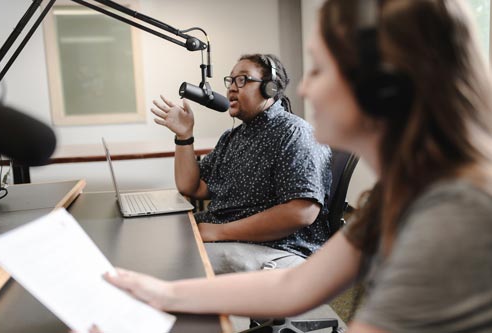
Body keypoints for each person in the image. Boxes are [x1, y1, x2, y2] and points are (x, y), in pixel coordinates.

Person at [103, 0, 492, 332]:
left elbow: (301, 218)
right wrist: (162, 293)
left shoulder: (456, 215)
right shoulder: (399, 195)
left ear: (382, 87)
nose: (303, 89)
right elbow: (294, 288)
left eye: (319, 70)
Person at [151, 54, 332, 274]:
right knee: (158, 248)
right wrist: (184, 135)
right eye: (231, 80)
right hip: (232, 240)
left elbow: (301, 212)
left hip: (274, 248)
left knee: (169, 263)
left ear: (270, 89)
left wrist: (219, 232)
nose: (231, 89)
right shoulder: (232, 137)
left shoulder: (294, 133)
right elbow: (194, 187)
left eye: (243, 80)